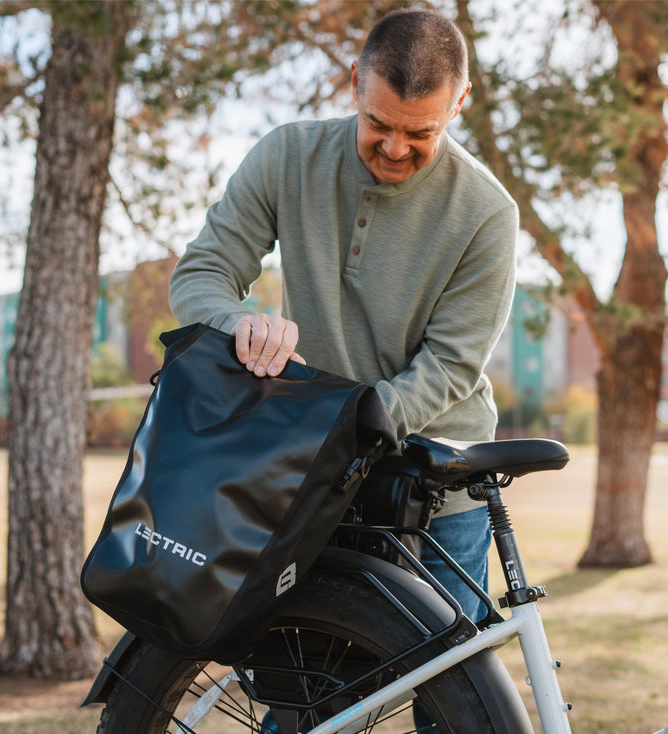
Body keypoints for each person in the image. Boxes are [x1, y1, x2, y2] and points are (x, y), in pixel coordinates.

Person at [169, 9, 517, 728]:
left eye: (421, 133)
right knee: (306, 702)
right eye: (378, 123)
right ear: (354, 81)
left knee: (455, 704)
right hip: (318, 471)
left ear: (462, 103)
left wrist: (345, 428)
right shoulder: (288, 157)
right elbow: (201, 274)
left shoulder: (487, 212)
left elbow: (449, 366)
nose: (394, 147)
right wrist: (241, 325)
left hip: (434, 478)